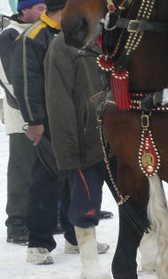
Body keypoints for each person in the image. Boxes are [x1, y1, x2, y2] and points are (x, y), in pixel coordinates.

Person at [11, 0, 77, 265]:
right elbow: (27, 84)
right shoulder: (35, 36)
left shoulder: (73, 32)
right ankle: (38, 243)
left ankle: (76, 238)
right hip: (49, 121)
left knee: (77, 179)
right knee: (46, 181)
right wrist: (34, 122)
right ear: (65, 6)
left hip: (75, 120)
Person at [45, 32, 110, 277]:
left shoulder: (118, 35)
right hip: (87, 142)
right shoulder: (63, 45)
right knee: (85, 207)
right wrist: (69, 152)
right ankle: (90, 266)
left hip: (121, 138)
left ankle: (150, 254)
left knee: (136, 200)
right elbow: (58, 101)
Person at [0, 0, 46, 246]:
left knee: (48, 171)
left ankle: (50, 218)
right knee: (22, 172)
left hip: (45, 112)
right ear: (24, 9)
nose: (45, 12)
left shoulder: (42, 32)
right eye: (40, 8)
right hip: (22, 115)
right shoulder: (9, 35)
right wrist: (30, 108)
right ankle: (16, 223)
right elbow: (12, 78)